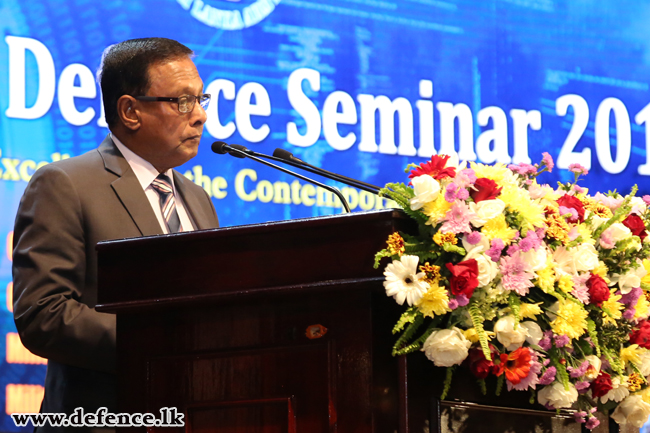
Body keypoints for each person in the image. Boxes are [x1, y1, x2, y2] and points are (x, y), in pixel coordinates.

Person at [11, 37, 220, 431]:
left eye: (201, 99)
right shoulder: (66, 184)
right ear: (130, 111)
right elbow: (44, 314)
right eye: (182, 101)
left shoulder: (199, 199)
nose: (200, 117)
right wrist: (168, 344)